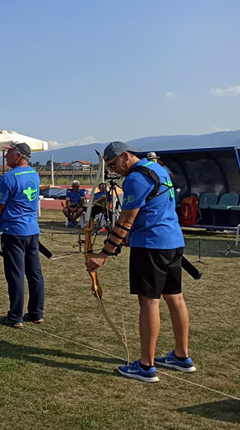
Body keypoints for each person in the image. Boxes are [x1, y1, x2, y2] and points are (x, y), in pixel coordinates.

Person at [87, 141, 193, 383]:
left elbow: (125, 219)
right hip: (172, 241)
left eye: (114, 164)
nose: (113, 171)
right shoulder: (159, 169)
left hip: (151, 246)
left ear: (126, 156)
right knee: (174, 297)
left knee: (149, 303)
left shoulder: (135, 178)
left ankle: (146, 365)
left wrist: (104, 254)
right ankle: (181, 356)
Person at [0, 142, 45, 329]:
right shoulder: (34, 174)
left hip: (14, 232)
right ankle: (37, 313)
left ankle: (15, 316)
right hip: (32, 231)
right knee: (34, 273)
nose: (5, 157)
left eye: (9, 153)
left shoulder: (9, 178)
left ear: (19, 155)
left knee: (16, 275)